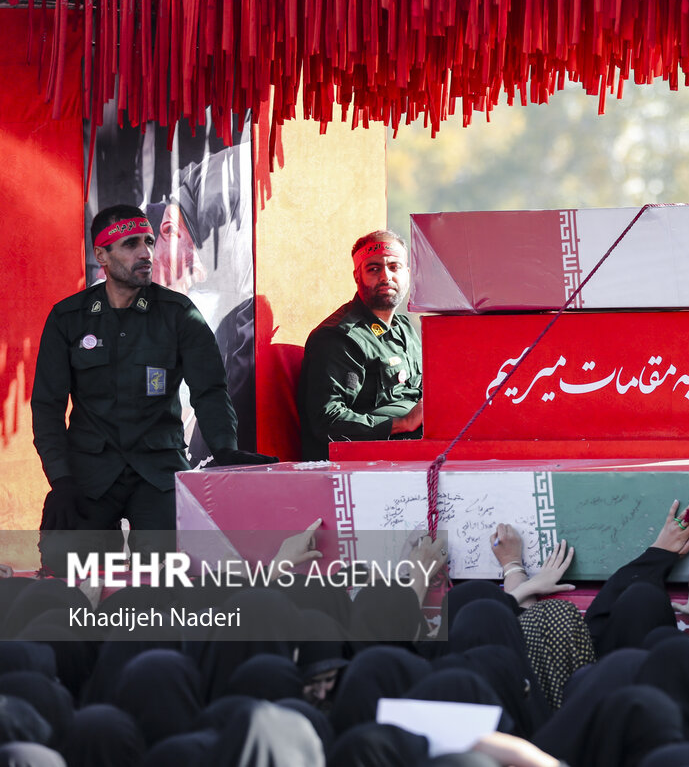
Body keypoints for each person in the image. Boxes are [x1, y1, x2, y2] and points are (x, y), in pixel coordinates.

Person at [31, 205, 272, 576]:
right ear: (102, 256)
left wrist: (225, 447)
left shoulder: (179, 314)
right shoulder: (68, 318)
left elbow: (209, 389)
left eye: (148, 241)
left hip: (158, 469)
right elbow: (47, 407)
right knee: (66, 568)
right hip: (89, 472)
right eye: (130, 244)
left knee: (172, 572)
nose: (146, 252)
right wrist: (61, 479)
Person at [297, 231, 423, 460]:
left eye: (394, 267)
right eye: (373, 269)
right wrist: (402, 423)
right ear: (357, 276)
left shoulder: (406, 328)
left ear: (407, 273)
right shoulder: (339, 337)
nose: (386, 276)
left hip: (414, 450)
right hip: (360, 463)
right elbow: (328, 420)